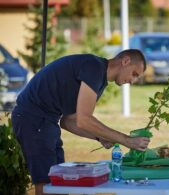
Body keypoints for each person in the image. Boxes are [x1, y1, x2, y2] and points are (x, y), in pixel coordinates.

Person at [11, 49, 151, 195]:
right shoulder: (94, 67)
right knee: (46, 184)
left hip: (48, 121)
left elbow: (69, 122)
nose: (132, 81)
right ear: (126, 61)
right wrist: (127, 140)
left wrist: (101, 137)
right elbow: (84, 120)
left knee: (58, 181)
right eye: (134, 74)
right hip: (33, 119)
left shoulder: (100, 79)